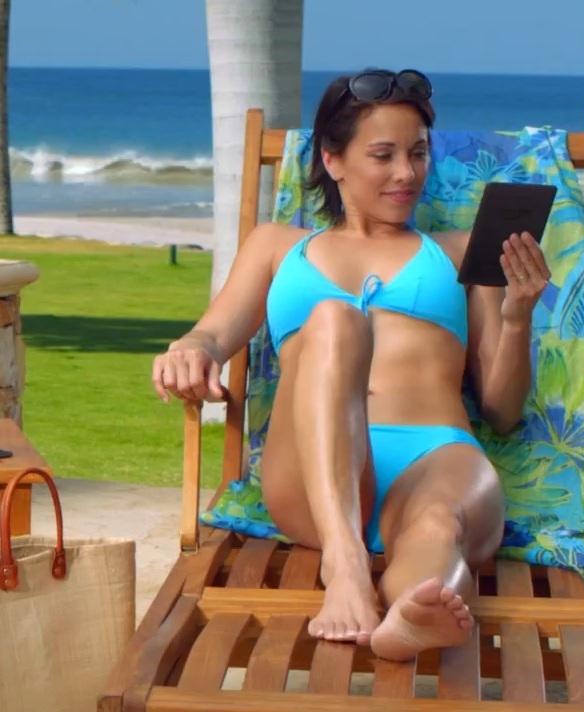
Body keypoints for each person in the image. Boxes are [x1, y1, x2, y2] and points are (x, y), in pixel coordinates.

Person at [150, 68, 550, 661]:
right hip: (309, 472)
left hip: (435, 456)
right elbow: (211, 334)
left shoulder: (463, 250)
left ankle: (414, 614)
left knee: (438, 525)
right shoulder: (276, 246)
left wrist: (517, 317)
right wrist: (190, 350)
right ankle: (344, 563)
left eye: (418, 154)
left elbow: (502, 411)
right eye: (383, 155)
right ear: (332, 159)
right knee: (336, 320)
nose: (406, 173)